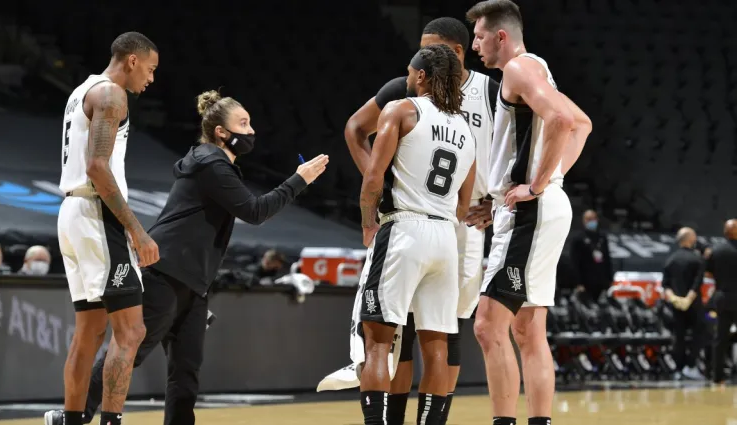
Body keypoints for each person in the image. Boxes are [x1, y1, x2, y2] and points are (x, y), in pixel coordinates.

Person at [45, 90, 328, 425]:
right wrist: (300, 180)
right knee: (127, 352)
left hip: (192, 282)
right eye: (243, 123)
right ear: (222, 132)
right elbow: (255, 211)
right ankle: (73, 417)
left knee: (186, 371)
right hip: (165, 272)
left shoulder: (214, 163)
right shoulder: (211, 163)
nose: (251, 131)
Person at [344, 17, 498, 424]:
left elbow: (373, 181)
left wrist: (367, 222)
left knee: (379, 343)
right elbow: (465, 204)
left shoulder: (402, 109)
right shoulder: (465, 129)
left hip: (404, 228)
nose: (407, 79)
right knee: (438, 347)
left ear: (423, 77)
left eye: (412, 74)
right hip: (448, 236)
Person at [467, 1, 593, 424]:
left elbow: (561, 119)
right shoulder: (535, 70)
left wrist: (535, 186)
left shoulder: (519, 69)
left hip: (531, 212)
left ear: (501, 36)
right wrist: (545, 179)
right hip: (538, 207)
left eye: (479, 36)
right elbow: (582, 123)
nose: (474, 44)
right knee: (526, 329)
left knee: (487, 325)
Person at [50, 31, 160, 425]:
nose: (150, 79)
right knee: (131, 332)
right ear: (132, 60)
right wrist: (136, 229)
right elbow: (98, 167)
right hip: (97, 214)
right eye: (149, 69)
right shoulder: (112, 95)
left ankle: (72, 419)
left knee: (91, 331)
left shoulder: (82, 89)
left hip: (72, 212)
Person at [662, 227, 706, 380]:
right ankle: (691, 365)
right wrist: (688, 298)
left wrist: (674, 298)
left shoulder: (670, 260)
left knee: (678, 336)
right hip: (693, 304)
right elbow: (697, 282)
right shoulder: (697, 259)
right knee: (699, 333)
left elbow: (665, 284)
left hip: (676, 304)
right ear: (689, 239)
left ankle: (678, 369)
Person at [706, 219, 737, 385]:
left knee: (720, 338)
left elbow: (708, 273)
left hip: (722, 297)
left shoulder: (715, 250)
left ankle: (717, 376)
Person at [570, 209, 614, 301]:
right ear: (584, 221)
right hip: (586, 282)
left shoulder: (602, 237)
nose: (592, 221)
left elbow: (607, 259)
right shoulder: (578, 239)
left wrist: (610, 280)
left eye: (593, 219)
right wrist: (578, 283)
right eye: (589, 219)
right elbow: (575, 262)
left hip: (601, 281)